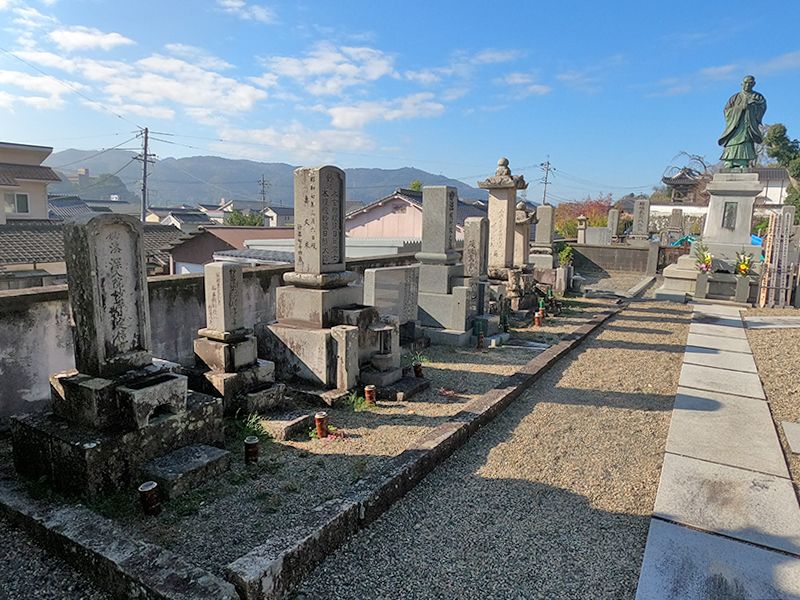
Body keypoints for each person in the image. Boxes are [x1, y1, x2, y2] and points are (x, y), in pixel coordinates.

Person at [718, 75, 767, 169]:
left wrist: (752, 108)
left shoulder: (757, 96)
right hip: (735, 125)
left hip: (748, 124)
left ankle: (743, 162)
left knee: (746, 142)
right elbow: (726, 110)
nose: (746, 85)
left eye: (749, 83)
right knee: (732, 141)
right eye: (745, 83)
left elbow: (762, 107)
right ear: (741, 84)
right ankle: (729, 162)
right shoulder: (735, 97)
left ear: (753, 84)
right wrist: (740, 109)